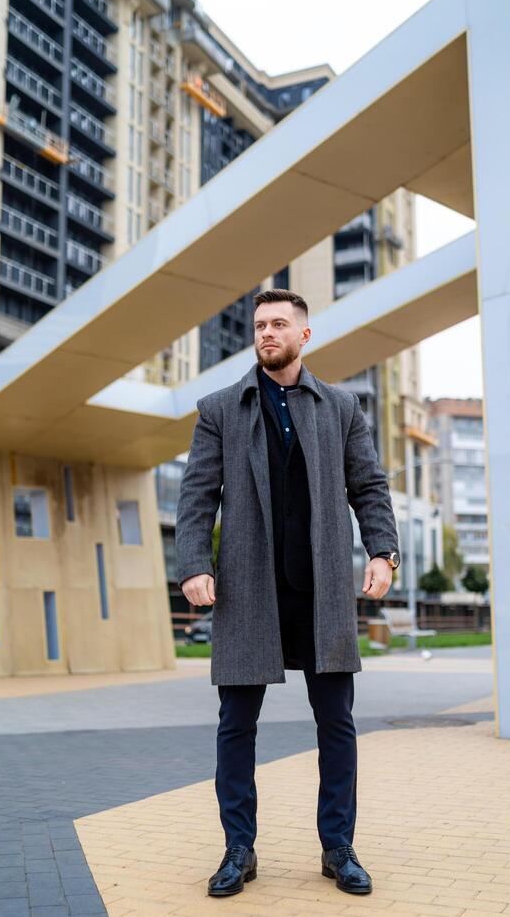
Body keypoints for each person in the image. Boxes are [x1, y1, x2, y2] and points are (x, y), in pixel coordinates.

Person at [175, 289, 400, 898]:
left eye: (279, 324)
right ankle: (238, 850)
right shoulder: (220, 408)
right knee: (235, 726)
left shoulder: (341, 407)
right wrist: (194, 562)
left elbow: (371, 487)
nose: (266, 333)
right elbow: (196, 495)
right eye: (259, 325)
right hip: (247, 591)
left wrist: (383, 551)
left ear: (305, 335)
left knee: (337, 724)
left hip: (322, 591)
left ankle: (339, 848)